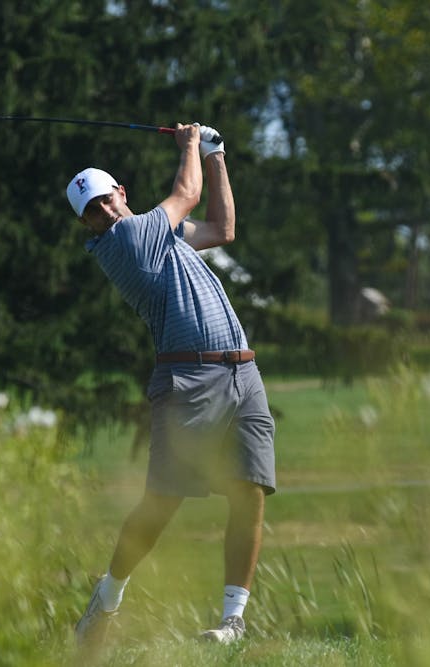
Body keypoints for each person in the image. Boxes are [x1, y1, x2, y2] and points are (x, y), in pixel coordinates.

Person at [65, 123, 276, 646]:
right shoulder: (128, 242)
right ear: (90, 224)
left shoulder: (164, 235)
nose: (105, 213)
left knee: (250, 491)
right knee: (163, 501)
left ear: (122, 192)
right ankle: (107, 599)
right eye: (93, 211)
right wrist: (188, 145)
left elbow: (223, 229)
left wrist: (217, 155)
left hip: (241, 372)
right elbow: (187, 193)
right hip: (189, 380)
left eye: (106, 200)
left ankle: (234, 622)